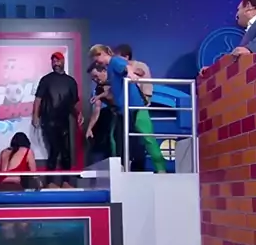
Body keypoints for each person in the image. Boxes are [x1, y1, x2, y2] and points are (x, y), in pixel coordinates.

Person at [88, 44, 167, 173]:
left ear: (101, 54)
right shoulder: (110, 69)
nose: (97, 63)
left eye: (96, 60)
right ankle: (121, 169)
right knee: (116, 138)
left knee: (148, 138)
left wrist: (130, 73)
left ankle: (161, 169)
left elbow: (126, 67)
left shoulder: (115, 61)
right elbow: (115, 89)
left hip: (135, 107)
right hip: (124, 110)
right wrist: (99, 96)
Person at [32, 52, 83, 188]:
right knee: (54, 150)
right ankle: (50, 182)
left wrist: (79, 114)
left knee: (66, 152)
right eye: (53, 61)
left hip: (64, 121)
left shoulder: (70, 81)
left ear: (63, 61)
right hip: (49, 120)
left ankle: (66, 182)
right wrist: (35, 116)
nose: (55, 63)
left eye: (57, 60)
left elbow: (74, 102)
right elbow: (38, 99)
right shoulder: (46, 80)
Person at [200, 0, 256, 74]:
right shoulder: (251, 33)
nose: (236, 15)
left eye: (238, 9)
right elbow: (236, 58)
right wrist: (214, 69)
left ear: (248, 6)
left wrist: (250, 49)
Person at [86, 65, 117, 163]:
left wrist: (100, 96)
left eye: (96, 76)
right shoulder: (97, 89)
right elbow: (97, 109)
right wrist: (89, 128)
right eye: (93, 78)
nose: (95, 80)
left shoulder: (116, 81)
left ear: (104, 71)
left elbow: (112, 95)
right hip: (106, 118)